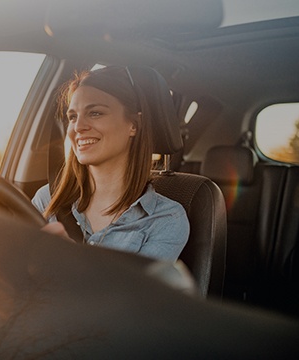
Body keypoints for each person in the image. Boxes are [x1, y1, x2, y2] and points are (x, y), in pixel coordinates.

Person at [32, 66, 189, 263]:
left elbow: (134, 294)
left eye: (95, 113)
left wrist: (71, 261)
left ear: (133, 125)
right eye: (73, 117)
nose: (78, 127)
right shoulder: (47, 200)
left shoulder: (166, 219)